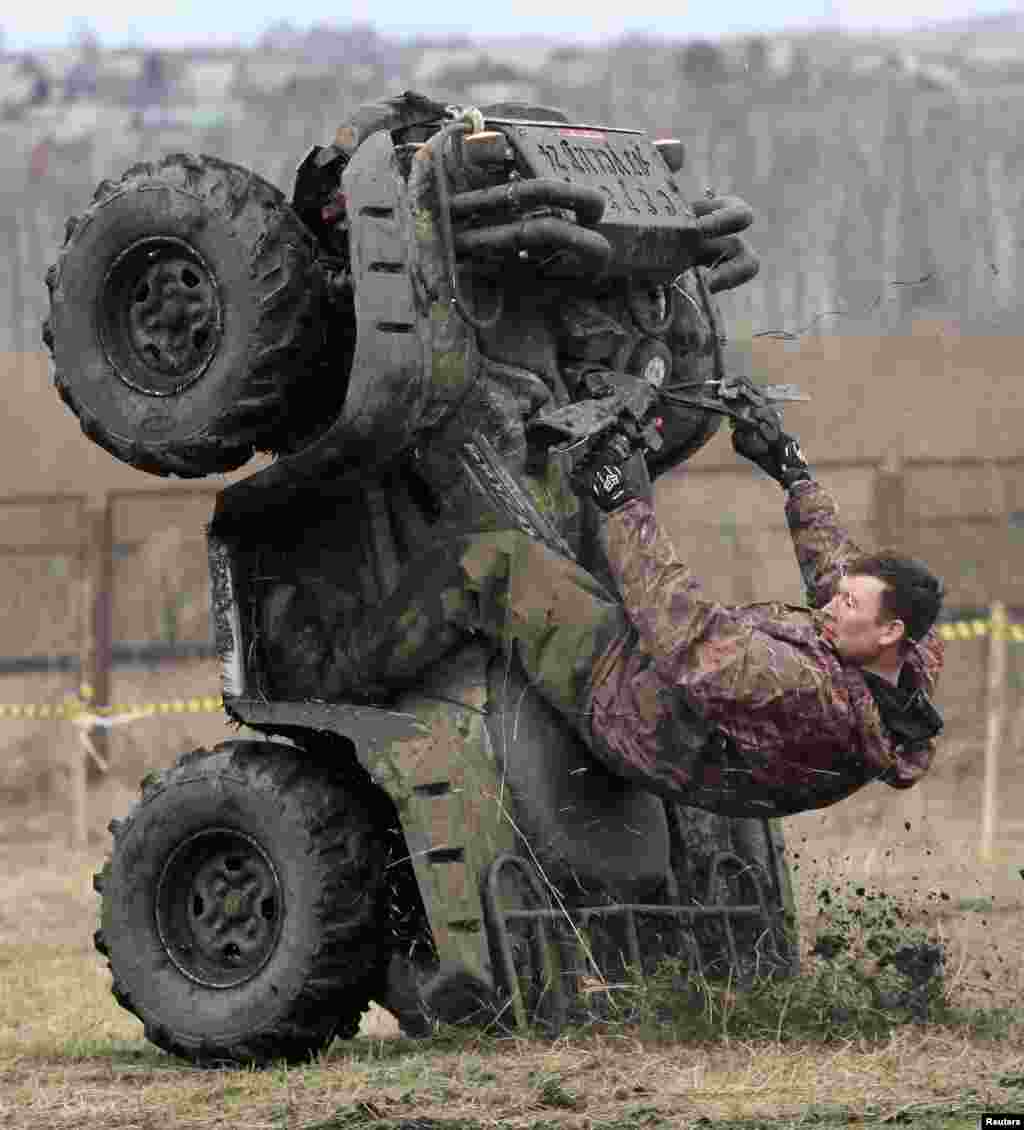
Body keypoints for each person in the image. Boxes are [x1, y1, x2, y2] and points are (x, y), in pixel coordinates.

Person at [267, 409, 945, 818]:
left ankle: (327, 679)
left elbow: (687, 639)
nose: (829, 605)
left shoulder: (808, 692)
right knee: (608, 546)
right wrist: (792, 472)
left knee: (494, 563)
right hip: (671, 700)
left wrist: (624, 504)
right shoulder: (906, 658)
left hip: (630, 703)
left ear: (888, 631)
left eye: (847, 607)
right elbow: (845, 573)